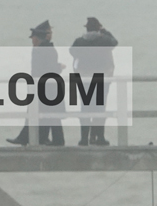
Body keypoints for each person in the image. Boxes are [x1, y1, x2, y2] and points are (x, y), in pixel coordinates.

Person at [7, 20, 66, 146]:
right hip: (45, 85)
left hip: (46, 86)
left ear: (38, 38)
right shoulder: (44, 49)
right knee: (46, 113)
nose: (32, 41)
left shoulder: (43, 50)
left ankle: (49, 139)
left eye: (33, 38)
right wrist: (58, 67)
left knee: (44, 113)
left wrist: (57, 68)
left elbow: (46, 69)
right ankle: (45, 138)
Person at [69, 17, 118, 146]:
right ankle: (99, 137)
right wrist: (105, 31)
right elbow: (114, 42)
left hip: (84, 79)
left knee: (85, 109)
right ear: (98, 28)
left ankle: (84, 138)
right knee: (100, 109)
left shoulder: (79, 41)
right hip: (101, 79)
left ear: (87, 28)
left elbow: (72, 51)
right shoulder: (104, 40)